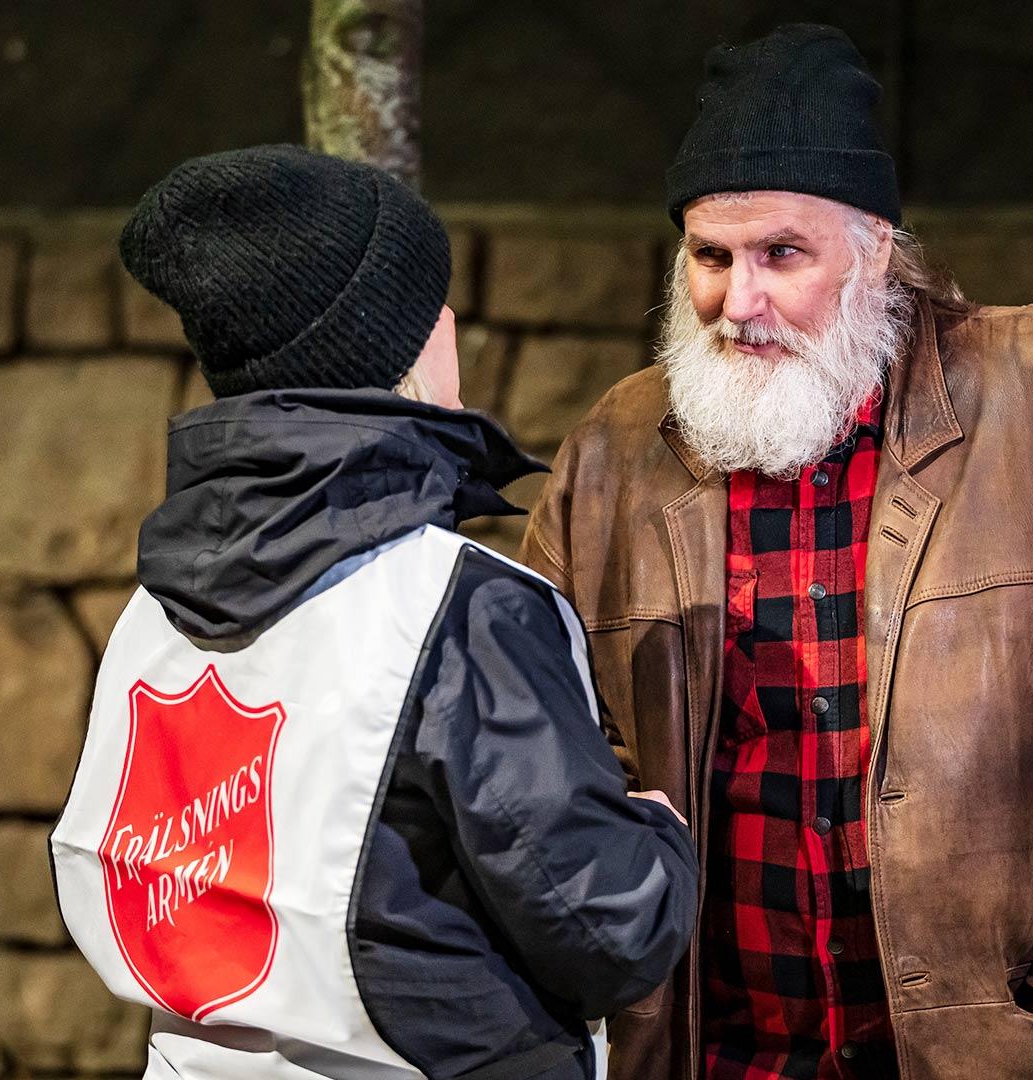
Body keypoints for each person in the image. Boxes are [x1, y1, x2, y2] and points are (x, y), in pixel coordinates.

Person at [520, 24, 1033, 1080]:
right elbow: (548, 746)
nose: (738, 303)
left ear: (876, 247)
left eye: (781, 254)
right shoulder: (614, 451)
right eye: (711, 257)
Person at [50, 144, 697, 1080]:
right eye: (435, 305)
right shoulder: (461, 608)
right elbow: (610, 928)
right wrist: (659, 836)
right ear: (392, 342)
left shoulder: (155, 609)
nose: (452, 326)